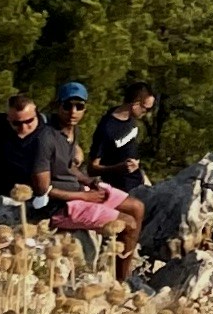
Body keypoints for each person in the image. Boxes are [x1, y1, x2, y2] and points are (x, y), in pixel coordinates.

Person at [41, 81, 145, 277]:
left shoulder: (72, 131)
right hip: (60, 206)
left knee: (137, 207)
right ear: (57, 106)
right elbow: (42, 189)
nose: (73, 111)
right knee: (129, 224)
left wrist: (88, 181)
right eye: (67, 105)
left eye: (79, 106)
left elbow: (69, 166)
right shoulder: (47, 138)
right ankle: (119, 281)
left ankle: (123, 271)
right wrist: (83, 197)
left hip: (80, 190)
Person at [89, 80, 158, 197]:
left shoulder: (131, 121)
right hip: (121, 191)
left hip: (139, 183)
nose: (147, 113)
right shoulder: (107, 128)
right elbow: (92, 169)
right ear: (135, 103)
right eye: (146, 108)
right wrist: (118, 168)